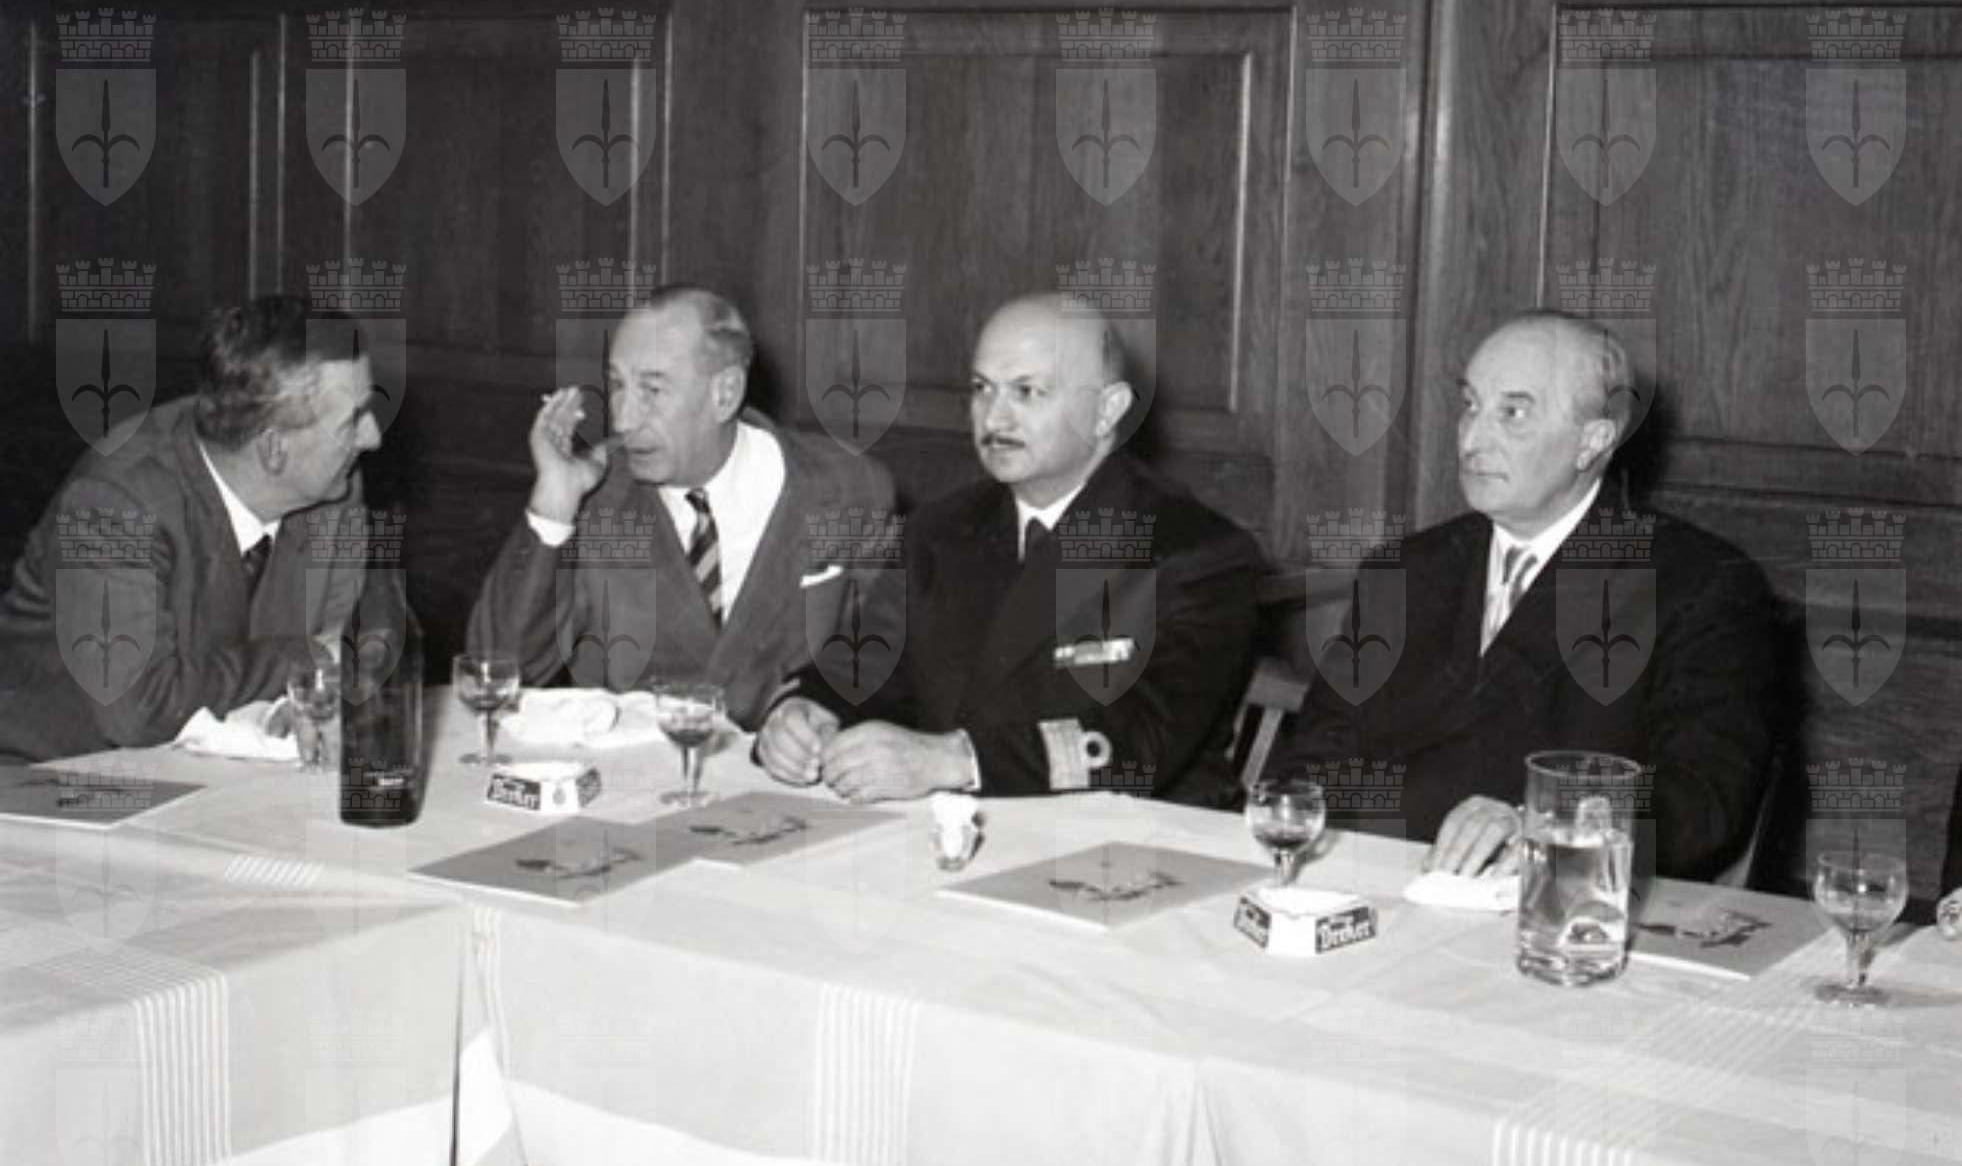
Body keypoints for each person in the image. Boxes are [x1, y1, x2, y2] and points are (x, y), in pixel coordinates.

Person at [1276, 311, 1778, 883]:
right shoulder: (1408, 569)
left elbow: (1704, 795)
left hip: (1555, 896)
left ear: (1592, 440)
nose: (1471, 439)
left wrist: (1548, 827)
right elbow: (1320, 746)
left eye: (1512, 413)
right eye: (1470, 405)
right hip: (1374, 882)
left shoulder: (1697, 582)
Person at [758, 291, 1262, 807]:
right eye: (982, 389)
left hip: (1144, 834)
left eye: (1027, 392)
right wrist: (804, 713)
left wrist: (955, 760)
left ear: (1107, 410)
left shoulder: (1197, 551)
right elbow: (860, 668)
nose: (994, 419)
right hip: (962, 825)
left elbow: (1142, 740)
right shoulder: (940, 530)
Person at [468, 286, 895, 727]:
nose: (623, 419)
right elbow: (496, 673)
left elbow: (878, 663)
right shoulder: (597, 496)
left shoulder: (848, 489)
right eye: (617, 385)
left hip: (780, 763)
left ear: (725, 393)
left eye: (652, 390)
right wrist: (554, 503)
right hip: (636, 765)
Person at [0, 296, 381, 762]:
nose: (373, 437)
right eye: (353, 420)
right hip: (46, 776)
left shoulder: (332, 487)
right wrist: (304, 658)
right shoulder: (113, 504)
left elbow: (347, 646)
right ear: (273, 449)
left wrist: (301, 693)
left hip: (213, 767)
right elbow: (140, 709)